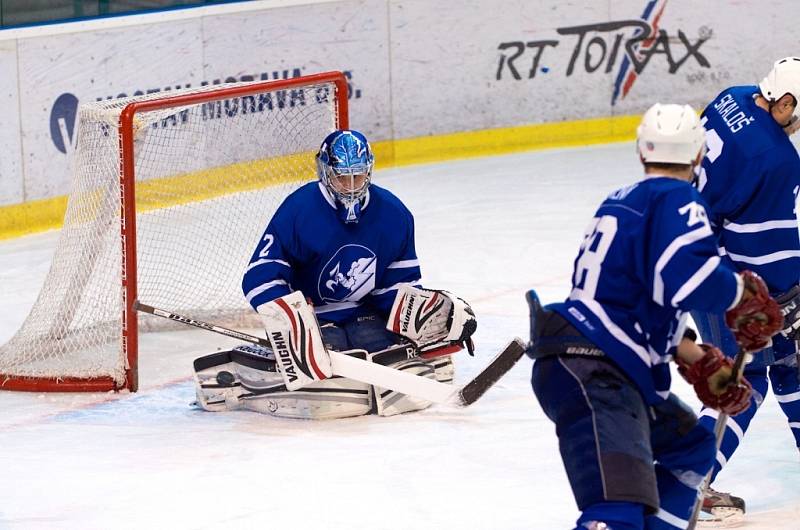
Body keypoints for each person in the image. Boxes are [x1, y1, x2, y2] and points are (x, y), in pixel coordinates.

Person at [527, 103, 782, 530]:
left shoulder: (620, 200)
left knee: (693, 449)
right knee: (616, 510)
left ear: (642, 151)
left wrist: (694, 356)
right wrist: (744, 293)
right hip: (598, 374)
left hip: (592, 363)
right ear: (698, 155)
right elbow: (693, 277)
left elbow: (635, 293)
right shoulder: (680, 199)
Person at [192, 129, 476, 419]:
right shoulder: (298, 210)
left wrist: (429, 314)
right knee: (332, 357)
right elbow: (260, 276)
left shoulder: (393, 213)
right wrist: (290, 312)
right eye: (343, 177)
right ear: (325, 171)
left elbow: (396, 287)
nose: (351, 186)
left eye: (358, 175)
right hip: (315, 316)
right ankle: (269, 370)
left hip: (363, 312)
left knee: (382, 347)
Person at [690, 56, 800, 521]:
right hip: (731, 281)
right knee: (746, 382)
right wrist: (787, 299)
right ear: (785, 102)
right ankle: (686, 482)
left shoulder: (731, 98)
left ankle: (684, 479)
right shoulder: (775, 159)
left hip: (692, 255)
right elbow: (766, 245)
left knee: (789, 365)